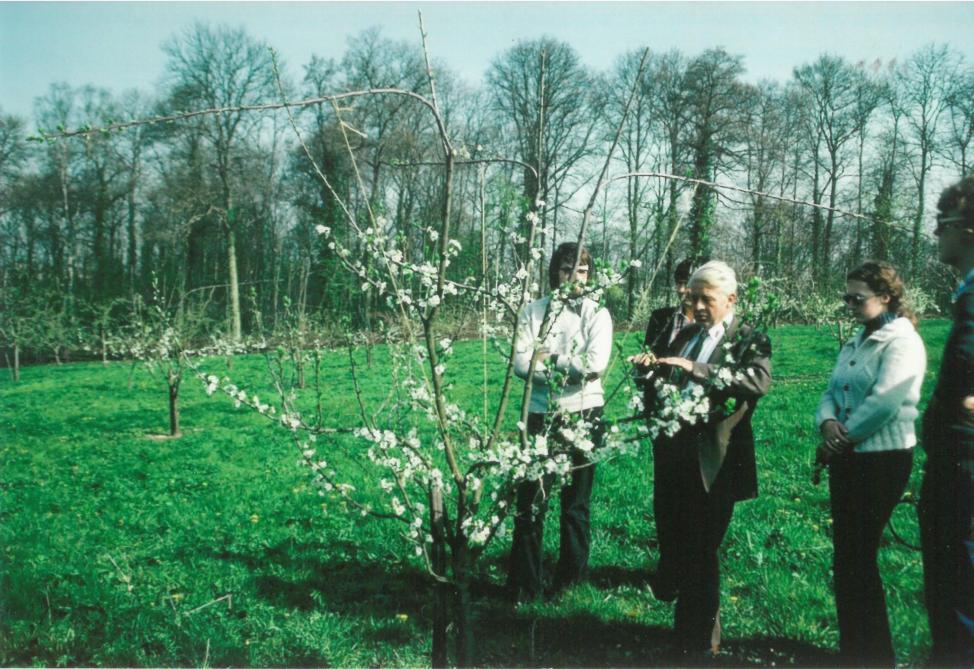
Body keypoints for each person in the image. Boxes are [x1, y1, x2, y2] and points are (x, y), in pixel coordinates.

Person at [636, 260, 772, 656]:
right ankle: (692, 634)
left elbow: (757, 381)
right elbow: (668, 382)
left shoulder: (750, 338)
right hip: (674, 455)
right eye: (691, 296)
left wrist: (695, 368)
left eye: (705, 298)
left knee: (701, 552)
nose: (694, 305)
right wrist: (651, 372)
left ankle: (696, 644)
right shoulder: (687, 334)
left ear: (730, 299)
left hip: (715, 462)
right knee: (678, 545)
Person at [814, 261, 926, 667]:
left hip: (882, 459)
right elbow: (832, 390)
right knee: (847, 556)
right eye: (846, 298)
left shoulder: (902, 341)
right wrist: (826, 421)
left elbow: (884, 402)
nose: (849, 305)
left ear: (887, 297)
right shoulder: (858, 339)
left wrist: (840, 440)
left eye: (857, 299)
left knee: (858, 555)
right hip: (849, 455)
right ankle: (855, 649)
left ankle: (874, 655)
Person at [507, 242, 613, 601]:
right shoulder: (533, 312)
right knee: (532, 500)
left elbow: (594, 366)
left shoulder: (597, 314)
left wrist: (549, 359)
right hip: (539, 413)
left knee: (576, 503)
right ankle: (525, 584)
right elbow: (521, 365)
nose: (574, 277)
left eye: (581, 271)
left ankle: (570, 582)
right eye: (567, 269)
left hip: (584, 412)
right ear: (555, 272)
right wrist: (569, 365)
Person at [920, 175, 974, 667]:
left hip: (963, 465)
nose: (936, 233)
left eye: (943, 224)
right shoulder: (966, 292)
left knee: (958, 579)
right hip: (954, 458)